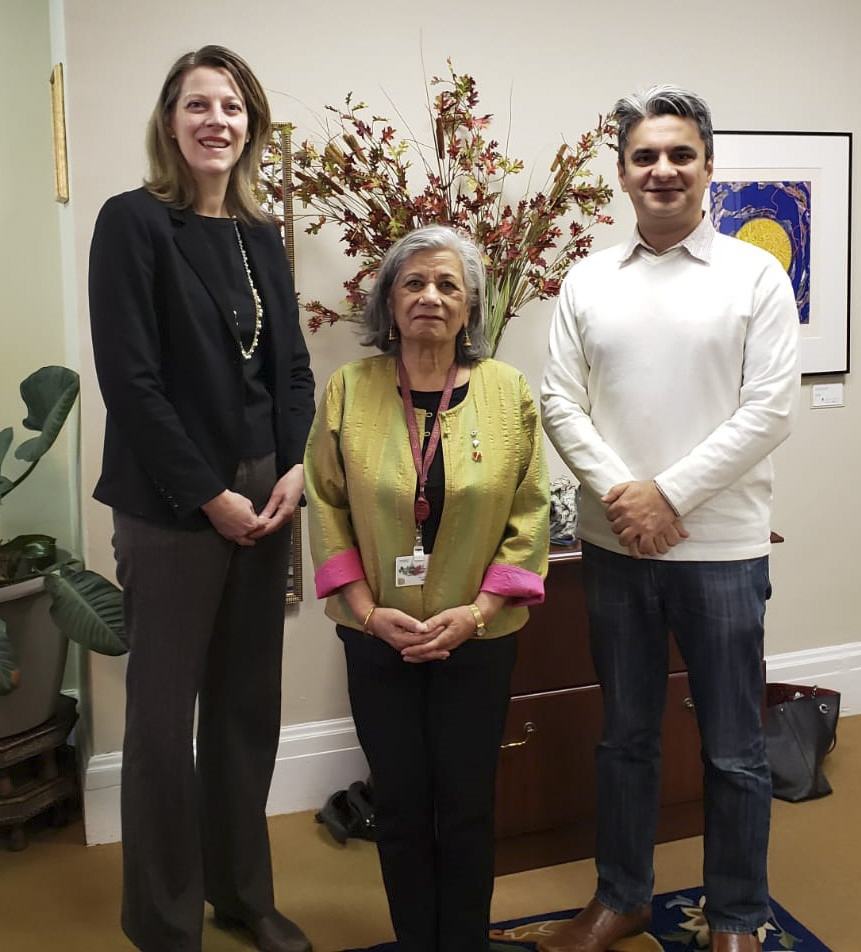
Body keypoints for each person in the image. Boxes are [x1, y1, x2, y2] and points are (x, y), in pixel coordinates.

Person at [540, 86, 799, 952]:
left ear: (708, 168)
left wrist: (669, 496)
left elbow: (766, 411)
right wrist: (629, 499)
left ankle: (733, 916)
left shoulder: (754, 275)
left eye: (680, 154)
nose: (662, 170)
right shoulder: (586, 281)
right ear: (621, 173)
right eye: (645, 156)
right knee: (625, 740)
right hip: (616, 551)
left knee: (733, 750)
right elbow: (559, 404)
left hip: (721, 552)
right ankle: (621, 900)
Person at [88, 46, 315, 952]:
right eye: (197, 104)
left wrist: (293, 465)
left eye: (231, 106)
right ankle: (166, 919)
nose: (216, 120)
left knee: (245, 709)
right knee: (159, 723)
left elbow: (292, 369)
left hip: (267, 497)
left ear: (250, 125)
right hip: (173, 505)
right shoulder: (132, 223)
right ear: (169, 121)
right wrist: (209, 494)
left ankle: (242, 895)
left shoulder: (261, 236)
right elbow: (131, 383)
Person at [304, 224, 550, 952]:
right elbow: (327, 504)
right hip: (377, 640)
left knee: (468, 804)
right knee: (402, 804)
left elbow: (529, 510)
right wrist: (364, 611)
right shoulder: (350, 388)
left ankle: (466, 941)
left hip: (476, 640)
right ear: (388, 300)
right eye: (412, 283)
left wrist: (476, 614)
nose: (430, 297)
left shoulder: (506, 393)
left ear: (470, 305)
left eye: (447, 285)